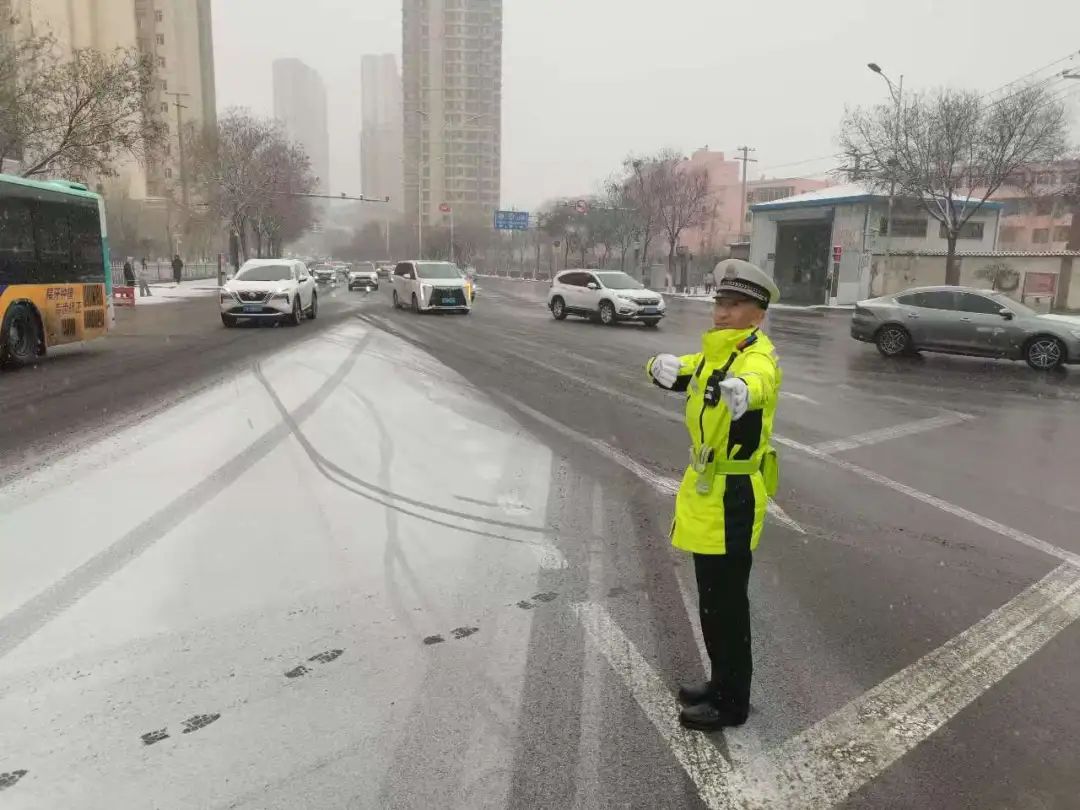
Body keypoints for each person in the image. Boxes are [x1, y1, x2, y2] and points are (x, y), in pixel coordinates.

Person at [646, 258, 782, 731]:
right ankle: (720, 680)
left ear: (758, 314)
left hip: (735, 493)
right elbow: (686, 371)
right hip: (709, 491)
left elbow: (760, 380)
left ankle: (732, 703)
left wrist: (746, 390)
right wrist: (656, 365)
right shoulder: (716, 355)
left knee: (727, 603)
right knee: (711, 600)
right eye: (720, 303)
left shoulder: (754, 357)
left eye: (736, 304)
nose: (722, 312)